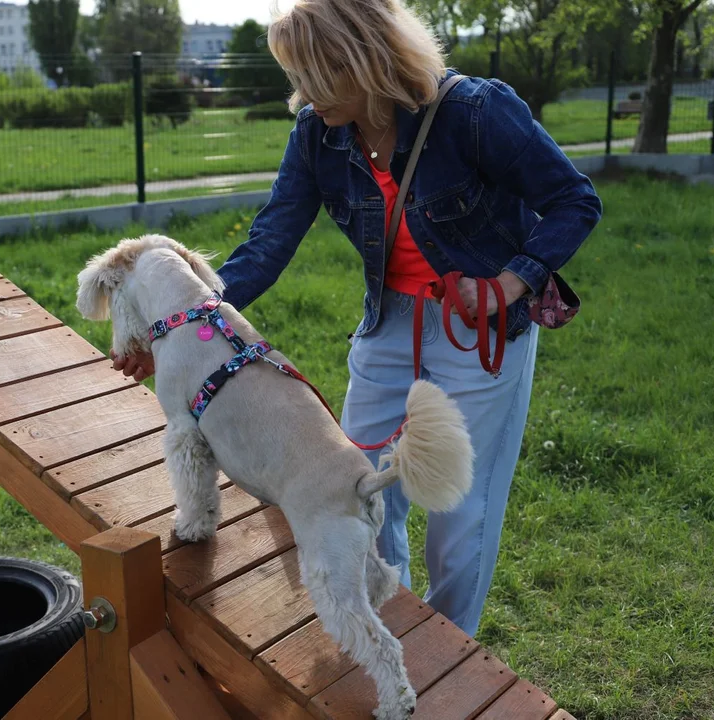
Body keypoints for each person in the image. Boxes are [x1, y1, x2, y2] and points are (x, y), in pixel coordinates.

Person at [110, 0, 602, 638]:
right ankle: (386, 637)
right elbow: (269, 241)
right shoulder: (320, 132)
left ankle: (451, 665)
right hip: (389, 325)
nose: (301, 98)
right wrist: (180, 330)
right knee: (356, 489)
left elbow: (574, 199)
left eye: (312, 78)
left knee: (460, 517)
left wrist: (509, 283)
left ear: (364, 61)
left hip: (479, 333)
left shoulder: (475, 112)